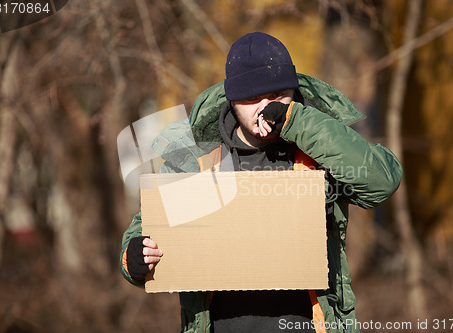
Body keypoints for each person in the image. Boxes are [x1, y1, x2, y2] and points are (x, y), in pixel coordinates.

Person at [119, 32, 403, 333]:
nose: (266, 108)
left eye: (279, 95)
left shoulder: (317, 152)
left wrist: (298, 122)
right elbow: (146, 229)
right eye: (253, 99)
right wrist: (134, 257)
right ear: (232, 100)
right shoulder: (199, 159)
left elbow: (381, 181)